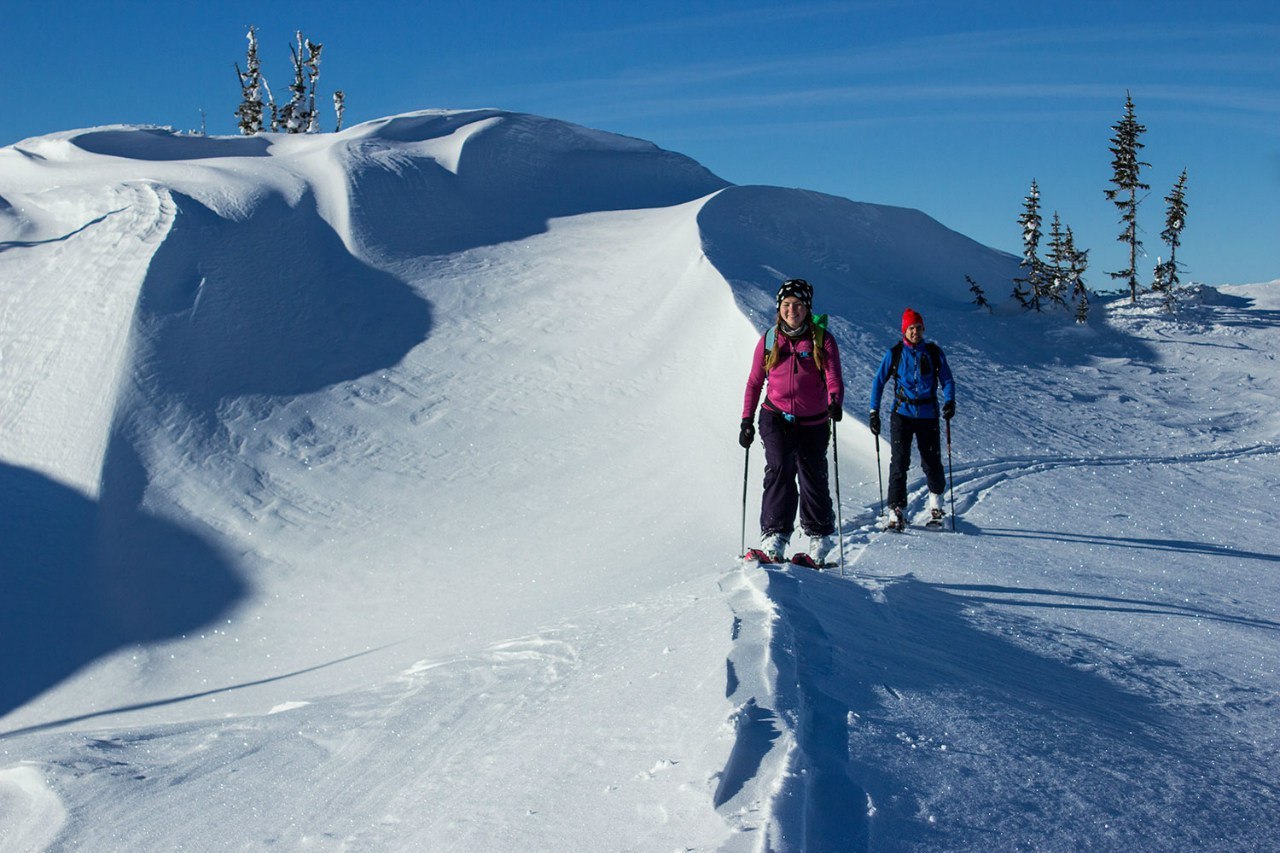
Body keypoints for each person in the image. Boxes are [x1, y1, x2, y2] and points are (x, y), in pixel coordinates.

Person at [739, 279, 844, 563]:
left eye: (797, 305)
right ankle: (775, 535)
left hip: (814, 421)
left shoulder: (822, 339)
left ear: (807, 308)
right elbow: (754, 382)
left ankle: (819, 537)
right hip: (775, 416)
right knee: (780, 468)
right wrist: (746, 420)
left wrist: (835, 400)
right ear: (779, 308)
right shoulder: (770, 339)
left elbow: (833, 376)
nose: (791, 310)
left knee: (812, 475)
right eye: (786, 305)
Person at [868, 307, 955, 530]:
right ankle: (896, 509)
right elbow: (878, 382)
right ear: (904, 331)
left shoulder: (933, 353)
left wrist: (949, 401)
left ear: (923, 329)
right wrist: (873, 412)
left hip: (928, 414)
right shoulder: (895, 354)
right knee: (899, 462)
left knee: (932, 462)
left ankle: (936, 504)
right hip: (902, 415)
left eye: (917, 327)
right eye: (910, 328)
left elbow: (947, 379)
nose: (914, 332)